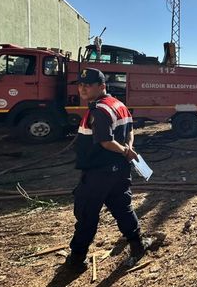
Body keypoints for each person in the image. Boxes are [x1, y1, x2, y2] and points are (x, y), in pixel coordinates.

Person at [66, 68, 152, 273]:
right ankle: (137, 245)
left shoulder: (100, 110)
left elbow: (105, 141)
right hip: (119, 171)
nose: (83, 88)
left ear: (102, 86)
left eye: (88, 84)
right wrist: (129, 148)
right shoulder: (119, 104)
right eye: (80, 84)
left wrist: (124, 151)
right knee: (123, 207)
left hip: (98, 172)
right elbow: (130, 128)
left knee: (87, 214)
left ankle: (77, 259)